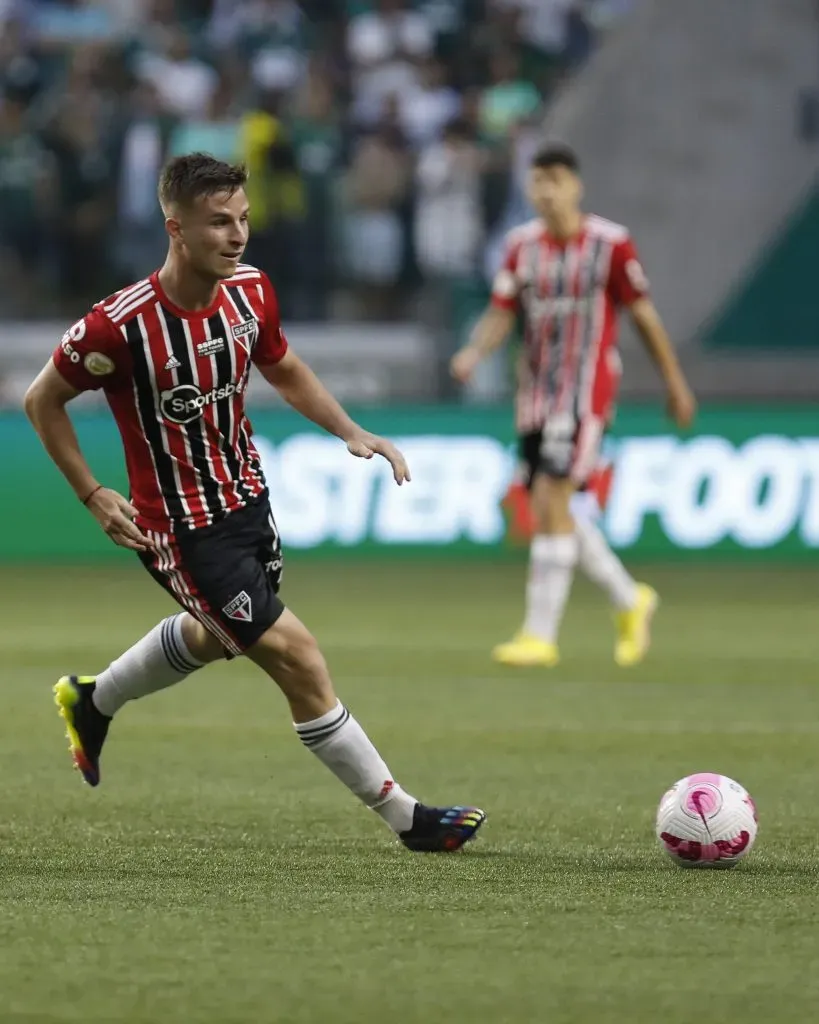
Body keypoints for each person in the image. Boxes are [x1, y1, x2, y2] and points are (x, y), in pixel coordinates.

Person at [24, 152, 485, 854]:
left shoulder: (251, 293)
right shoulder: (120, 325)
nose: (236, 236)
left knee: (216, 636)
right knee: (297, 656)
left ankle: (93, 700)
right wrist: (92, 494)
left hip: (247, 503)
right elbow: (42, 400)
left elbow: (285, 367)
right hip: (178, 529)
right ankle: (406, 818)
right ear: (175, 228)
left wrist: (350, 430)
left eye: (242, 219)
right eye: (218, 223)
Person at [451, 143, 696, 668]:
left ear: (576, 186)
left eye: (555, 180)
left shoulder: (612, 245)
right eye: (537, 181)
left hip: (585, 394)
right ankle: (631, 600)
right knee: (550, 506)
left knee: (551, 494)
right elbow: (501, 312)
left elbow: (645, 318)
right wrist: (474, 352)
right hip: (535, 395)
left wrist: (675, 384)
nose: (545, 191)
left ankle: (539, 635)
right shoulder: (521, 248)